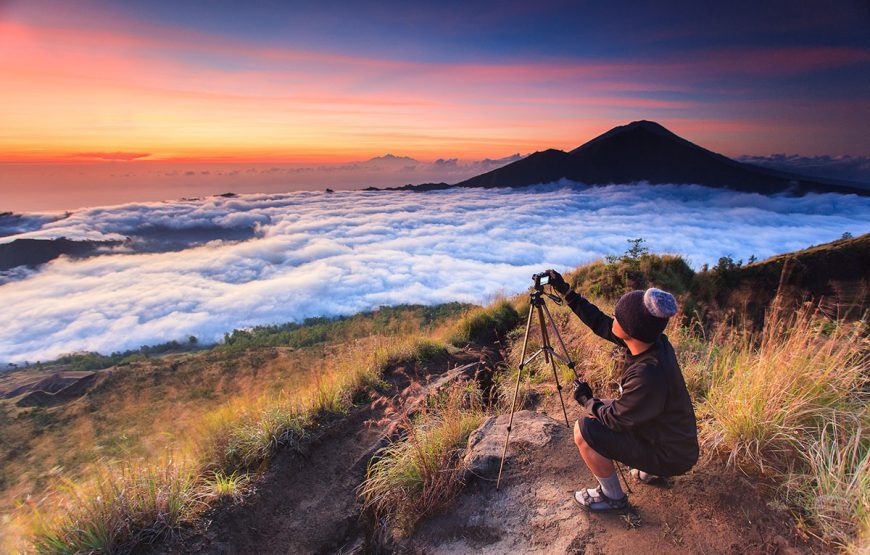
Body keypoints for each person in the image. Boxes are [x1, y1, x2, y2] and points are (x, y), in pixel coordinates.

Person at [544, 269, 699, 513]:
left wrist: (587, 401)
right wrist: (567, 292)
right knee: (605, 407)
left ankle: (612, 497)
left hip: (671, 455)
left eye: (617, 317)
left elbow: (615, 420)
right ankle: (648, 472)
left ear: (630, 330)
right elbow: (600, 323)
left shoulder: (648, 374)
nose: (612, 319)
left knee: (584, 429)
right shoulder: (652, 343)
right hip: (674, 440)